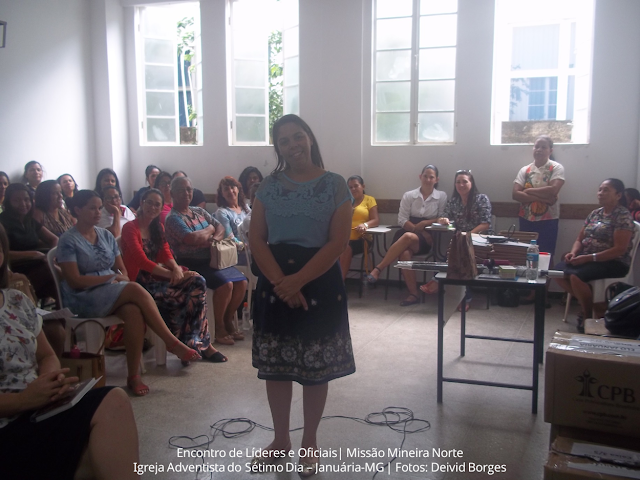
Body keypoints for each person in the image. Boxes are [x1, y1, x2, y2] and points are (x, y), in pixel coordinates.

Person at [249, 114, 355, 476]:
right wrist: (282, 281)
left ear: (309, 138)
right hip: (274, 280)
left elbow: (338, 242)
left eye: (298, 137)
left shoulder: (335, 185)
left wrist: (298, 282)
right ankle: (281, 440)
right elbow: (256, 238)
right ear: (277, 148)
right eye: (284, 141)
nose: (293, 145)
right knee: (276, 369)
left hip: (320, 283)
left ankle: (309, 442)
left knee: (315, 368)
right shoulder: (268, 186)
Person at [0, 224, 140, 480]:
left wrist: (48, 382)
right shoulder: (71, 239)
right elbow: (76, 279)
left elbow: (46, 355)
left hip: (38, 407)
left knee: (114, 401)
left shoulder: (15, 301)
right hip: (8, 418)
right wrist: (23, 400)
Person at [57, 190, 201, 396]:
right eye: (92, 208)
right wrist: (110, 279)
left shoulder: (106, 235)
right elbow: (74, 280)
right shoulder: (68, 240)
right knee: (134, 288)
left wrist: (120, 277)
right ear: (77, 210)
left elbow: (121, 268)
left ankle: (133, 376)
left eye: (99, 208)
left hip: (110, 290)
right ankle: (172, 342)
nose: (98, 212)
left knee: (133, 311)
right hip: (83, 297)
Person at [121, 189, 227, 363]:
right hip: (140, 284)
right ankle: (200, 345)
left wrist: (177, 269)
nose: (153, 207)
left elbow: (165, 252)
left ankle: (196, 343)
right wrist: (173, 274)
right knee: (183, 295)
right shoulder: (130, 228)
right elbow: (141, 261)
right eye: (149, 202)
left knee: (197, 282)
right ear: (142, 203)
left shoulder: (157, 227)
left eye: (157, 204)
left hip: (158, 277)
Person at [165, 176, 248, 345]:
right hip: (191, 263)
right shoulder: (173, 218)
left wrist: (211, 236)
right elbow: (191, 239)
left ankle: (227, 320)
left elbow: (220, 227)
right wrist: (210, 229)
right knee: (226, 285)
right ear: (172, 193)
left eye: (189, 189)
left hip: (213, 259)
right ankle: (218, 328)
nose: (187, 193)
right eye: (181, 190)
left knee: (242, 282)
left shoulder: (198, 211)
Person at [555, 179, 635, 332]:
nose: (601, 193)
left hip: (613, 261)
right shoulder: (595, 213)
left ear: (618, 195)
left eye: (606, 190)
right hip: (588, 258)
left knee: (576, 276)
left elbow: (619, 249)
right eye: (600, 190)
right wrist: (573, 253)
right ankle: (594, 308)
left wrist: (588, 258)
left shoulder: (622, 216)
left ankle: (586, 316)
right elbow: (580, 239)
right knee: (556, 273)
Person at [366, 165, 447, 306]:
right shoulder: (409, 195)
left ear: (436, 179)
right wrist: (420, 229)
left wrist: (426, 223)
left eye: (431, 177)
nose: (428, 179)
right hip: (408, 230)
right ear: (420, 176)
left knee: (409, 237)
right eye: (425, 176)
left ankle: (378, 269)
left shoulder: (441, 196)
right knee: (404, 253)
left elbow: (442, 218)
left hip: (428, 236)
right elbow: (402, 220)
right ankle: (414, 294)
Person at [424, 170, 492, 310]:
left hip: (481, 241)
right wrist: (443, 219)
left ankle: (440, 283)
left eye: (465, 181)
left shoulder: (481, 199)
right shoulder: (454, 202)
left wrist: (467, 237)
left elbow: (486, 224)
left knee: (460, 257)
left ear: (471, 183)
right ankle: (458, 296)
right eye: (458, 182)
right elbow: (444, 216)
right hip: (460, 242)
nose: (461, 185)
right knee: (456, 256)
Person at [0, 183, 59, 303]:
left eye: (26, 200)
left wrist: (51, 257)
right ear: (8, 202)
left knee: (58, 281)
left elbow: (54, 239)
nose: (23, 204)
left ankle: (65, 316)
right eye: (16, 200)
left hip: (37, 264)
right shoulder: (3, 222)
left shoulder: (29, 220)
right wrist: (32, 254)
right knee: (52, 272)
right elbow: (3, 253)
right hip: (15, 267)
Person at [512, 135, 565, 262]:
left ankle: (544, 282)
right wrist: (545, 199)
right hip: (526, 219)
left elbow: (553, 190)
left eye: (543, 147)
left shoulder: (556, 168)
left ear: (550, 151)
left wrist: (528, 190)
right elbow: (515, 194)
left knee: (546, 257)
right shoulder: (525, 170)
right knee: (525, 256)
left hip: (548, 220)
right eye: (536, 147)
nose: (539, 150)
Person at [339, 175, 379, 281]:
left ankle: (340, 283)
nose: (353, 189)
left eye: (356, 186)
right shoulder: (345, 202)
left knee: (346, 248)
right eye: (350, 187)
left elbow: (375, 220)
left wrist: (365, 225)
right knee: (330, 247)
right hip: (344, 238)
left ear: (363, 186)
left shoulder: (369, 200)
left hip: (362, 239)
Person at [215, 176, 250, 264]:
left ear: (238, 189)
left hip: (254, 248)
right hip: (239, 253)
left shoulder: (246, 208)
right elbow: (229, 238)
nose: (230, 191)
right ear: (222, 193)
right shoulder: (222, 212)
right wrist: (246, 247)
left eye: (232, 187)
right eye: (226, 189)